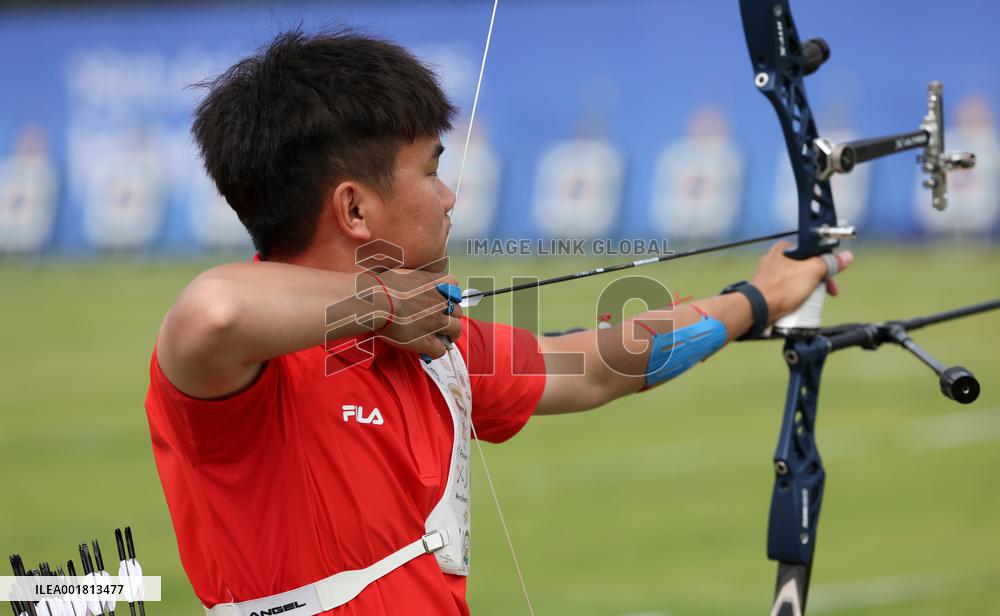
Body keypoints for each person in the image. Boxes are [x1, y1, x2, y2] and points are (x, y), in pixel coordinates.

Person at [144, 29, 852, 616]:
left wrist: (753, 300)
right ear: (355, 209)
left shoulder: (432, 347)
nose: (450, 197)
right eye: (430, 171)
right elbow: (214, 311)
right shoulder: (247, 366)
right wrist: (384, 305)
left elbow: (599, 364)